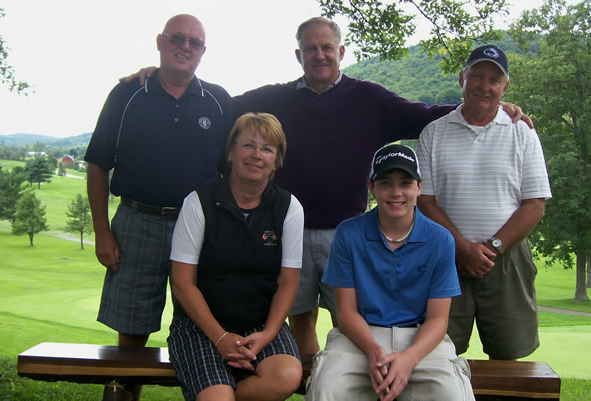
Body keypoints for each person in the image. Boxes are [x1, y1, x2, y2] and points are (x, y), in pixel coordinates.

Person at [124, 17, 531, 361]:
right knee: (300, 315)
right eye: (310, 48)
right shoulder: (272, 99)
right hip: (290, 232)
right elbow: (213, 103)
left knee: (350, 315)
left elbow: (426, 116)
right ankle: (311, 379)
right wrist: (162, 77)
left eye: (327, 47)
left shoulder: (370, 98)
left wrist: (488, 107)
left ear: (341, 52)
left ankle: (351, 377)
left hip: (349, 233)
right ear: (299, 55)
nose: (319, 54)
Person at [84, 14, 235, 399]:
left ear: (203, 51)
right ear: (160, 42)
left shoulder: (220, 101)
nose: (185, 46)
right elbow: (99, 162)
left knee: (202, 329)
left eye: (194, 42)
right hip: (137, 221)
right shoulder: (127, 94)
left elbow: (235, 168)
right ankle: (122, 396)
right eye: (176, 38)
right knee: (131, 330)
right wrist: (102, 230)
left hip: (200, 230)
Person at [306, 144, 474, 401]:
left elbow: (438, 319)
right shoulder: (348, 233)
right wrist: (373, 350)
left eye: (405, 183)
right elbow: (346, 311)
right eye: (386, 183)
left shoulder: (440, 239)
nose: (396, 193)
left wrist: (409, 359)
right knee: (327, 389)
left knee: (453, 394)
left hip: (420, 339)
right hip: (360, 337)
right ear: (372, 187)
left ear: (419, 187)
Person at [416, 45, 552, 360]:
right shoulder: (434, 133)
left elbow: (535, 205)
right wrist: (462, 247)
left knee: (509, 355)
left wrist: (491, 249)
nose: (484, 86)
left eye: (494, 79)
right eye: (477, 76)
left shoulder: (523, 133)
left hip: (507, 258)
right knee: (438, 354)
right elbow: (425, 200)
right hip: (446, 258)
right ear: (462, 77)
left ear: (505, 87)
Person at [168, 112, 304, 401]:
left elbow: (288, 281)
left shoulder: (288, 207)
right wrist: (220, 338)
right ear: (230, 152)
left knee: (287, 376)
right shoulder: (198, 203)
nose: (257, 155)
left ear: (275, 161)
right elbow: (182, 282)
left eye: (267, 149)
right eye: (248, 145)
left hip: (260, 322)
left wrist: (268, 334)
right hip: (200, 325)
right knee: (217, 397)